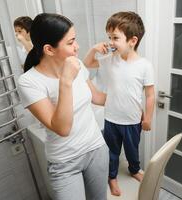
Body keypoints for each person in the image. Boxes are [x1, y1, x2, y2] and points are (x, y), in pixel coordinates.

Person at [17, 13, 109, 200]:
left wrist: (131, 97)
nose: (77, 47)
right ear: (49, 49)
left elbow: (97, 97)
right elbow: (62, 127)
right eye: (70, 42)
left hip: (96, 150)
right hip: (64, 163)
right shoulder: (29, 82)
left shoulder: (78, 65)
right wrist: (66, 81)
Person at [84, 11, 155, 196]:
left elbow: (150, 95)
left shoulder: (144, 66)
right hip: (111, 118)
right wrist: (94, 49)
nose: (110, 42)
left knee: (133, 150)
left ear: (132, 40)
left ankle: (134, 169)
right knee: (112, 152)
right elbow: (87, 65)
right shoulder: (109, 60)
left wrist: (147, 118)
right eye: (109, 37)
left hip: (132, 120)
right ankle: (112, 177)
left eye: (115, 37)